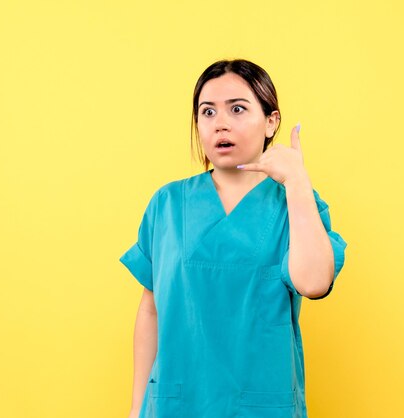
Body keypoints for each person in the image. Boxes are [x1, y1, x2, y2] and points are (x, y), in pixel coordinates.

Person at [120, 58, 347, 418]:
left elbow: (316, 282)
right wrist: (136, 410)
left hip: (262, 403)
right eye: (207, 112)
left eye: (237, 109)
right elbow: (151, 309)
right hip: (176, 404)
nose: (220, 123)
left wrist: (298, 184)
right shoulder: (167, 203)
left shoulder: (296, 205)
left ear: (271, 121)